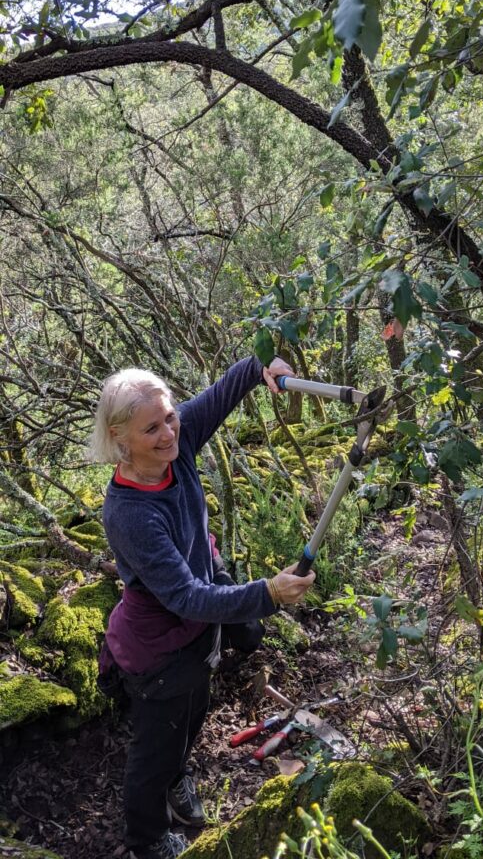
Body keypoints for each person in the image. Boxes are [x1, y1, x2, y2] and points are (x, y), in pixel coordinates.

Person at [89, 355, 315, 859]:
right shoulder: (129, 512)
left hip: (197, 629)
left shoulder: (179, 440)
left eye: (170, 417)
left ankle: (177, 777)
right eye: (152, 428)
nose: (169, 432)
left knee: (194, 714)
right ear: (120, 438)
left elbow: (223, 390)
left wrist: (263, 362)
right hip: (157, 648)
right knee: (156, 748)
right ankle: (145, 839)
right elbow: (186, 595)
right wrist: (268, 594)